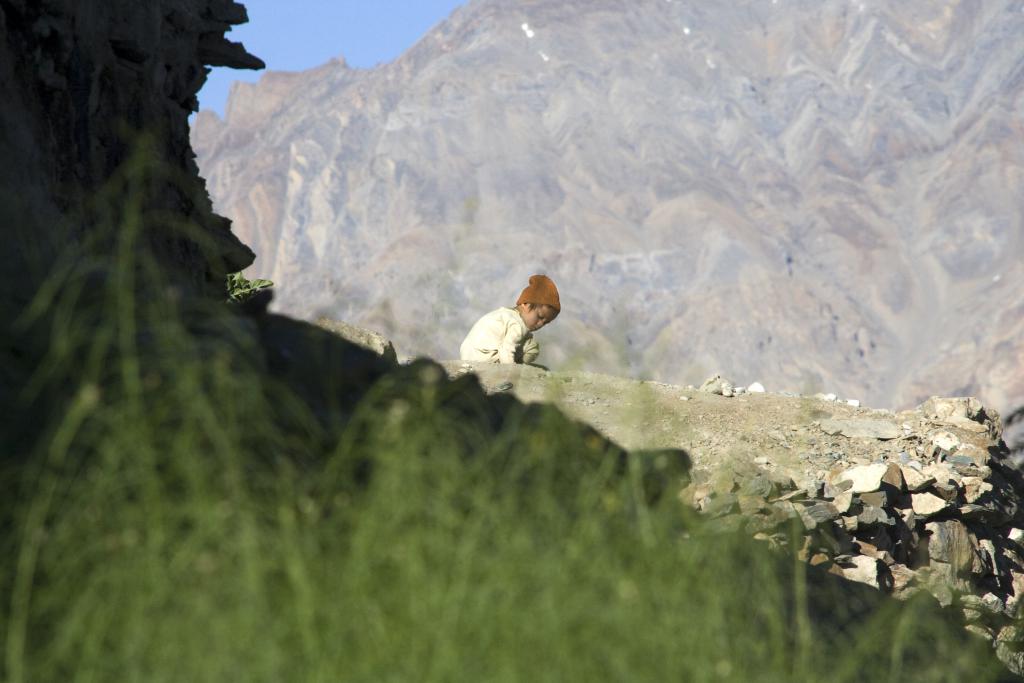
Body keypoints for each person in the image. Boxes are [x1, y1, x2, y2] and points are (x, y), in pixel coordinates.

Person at [459, 274, 560, 365]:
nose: (541, 323)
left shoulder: (506, 314)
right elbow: (506, 348)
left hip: (469, 354)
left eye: (546, 322)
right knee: (532, 347)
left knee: (525, 340)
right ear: (526, 304)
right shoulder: (517, 324)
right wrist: (511, 371)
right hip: (484, 359)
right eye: (540, 317)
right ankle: (518, 367)